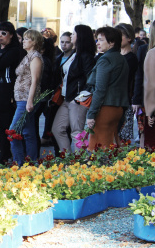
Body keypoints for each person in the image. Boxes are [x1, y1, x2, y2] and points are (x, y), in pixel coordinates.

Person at [51, 25, 96, 153]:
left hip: (76, 100)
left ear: (80, 37)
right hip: (67, 98)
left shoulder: (86, 56)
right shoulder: (75, 54)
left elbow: (91, 81)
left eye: (74, 34)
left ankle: (80, 164)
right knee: (57, 129)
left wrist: (78, 99)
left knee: (77, 132)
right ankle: (69, 159)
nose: (71, 36)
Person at [0, 21, 24, 165]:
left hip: (7, 93)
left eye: (3, 33)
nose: (0, 36)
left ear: (11, 35)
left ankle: (4, 158)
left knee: (6, 127)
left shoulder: (14, 51)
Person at [86, 27, 129, 149]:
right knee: (111, 147)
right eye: (97, 40)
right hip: (118, 108)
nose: (97, 43)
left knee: (99, 149)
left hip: (104, 108)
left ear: (112, 42)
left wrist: (91, 114)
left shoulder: (105, 60)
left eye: (100, 40)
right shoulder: (121, 58)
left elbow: (100, 89)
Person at [8, 30, 44, 165]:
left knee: (13, 131)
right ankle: (31, 162)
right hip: (20, 98)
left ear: (34, 42)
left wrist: (30, 101)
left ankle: (19, 162)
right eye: (23, 39)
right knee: (28, 132)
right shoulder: (27, 56)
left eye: (27, 39)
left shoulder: (35, 57)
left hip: (26, 99)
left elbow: (35, 81)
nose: (23, 41)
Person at [115, 24, 138, 142]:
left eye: (120, 36)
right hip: (113, 102)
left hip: (124, 102)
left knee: (122, 139)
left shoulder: (132, 59)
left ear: (129, 38)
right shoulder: (114, 56)